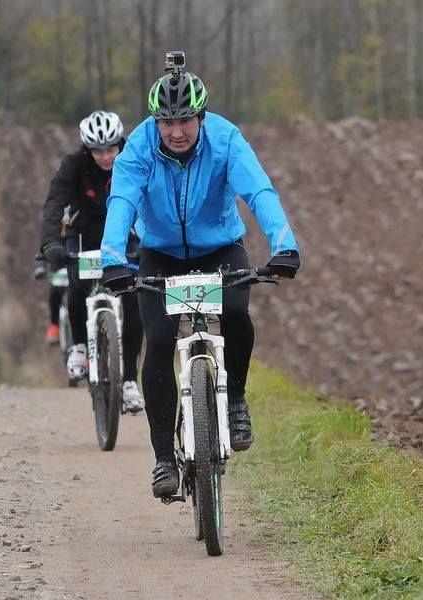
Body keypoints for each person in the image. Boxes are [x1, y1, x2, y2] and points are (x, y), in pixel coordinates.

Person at [98, 55, 300, 497]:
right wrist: (112, 258)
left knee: (236, 313)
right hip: (160, 254)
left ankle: (237, 402)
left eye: (185, 120)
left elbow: (259, 191)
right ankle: (163, 460)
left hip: (220, 250)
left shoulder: (226, 140)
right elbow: (122, 203)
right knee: (159, 341)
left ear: (201, 117)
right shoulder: (138, 148)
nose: (176, 131)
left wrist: (284, 246)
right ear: (155, 121)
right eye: (166, 121)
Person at [39, 110, 145, 413]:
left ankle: (129, 382)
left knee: (133, 297)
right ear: (87, 149)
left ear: (120, 144)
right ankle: (79, 346)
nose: (106, 156)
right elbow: (54, 203)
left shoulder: (134, 158)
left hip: (125, 233)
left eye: (111, 148)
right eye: (98, 150)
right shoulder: (73, 165)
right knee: (77, 281)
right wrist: (50, 243)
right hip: (83, 232)